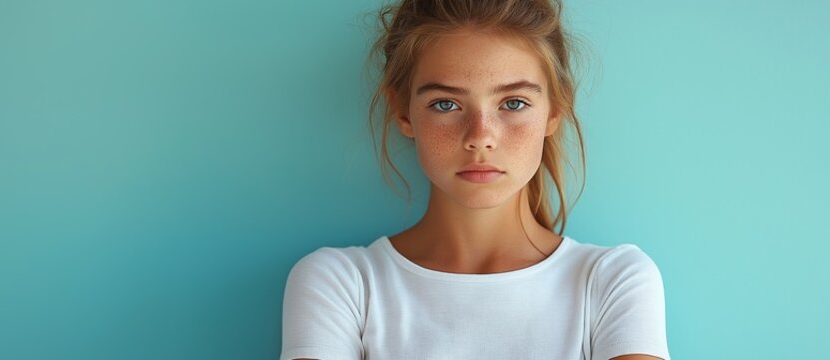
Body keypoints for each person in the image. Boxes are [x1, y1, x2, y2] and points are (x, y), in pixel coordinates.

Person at [279, 0, 670, 359]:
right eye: (445, 104)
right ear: (402, 111)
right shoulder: (341, 285)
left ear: (554, 109)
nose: (480, 136)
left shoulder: (612, 282)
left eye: (513, 103)